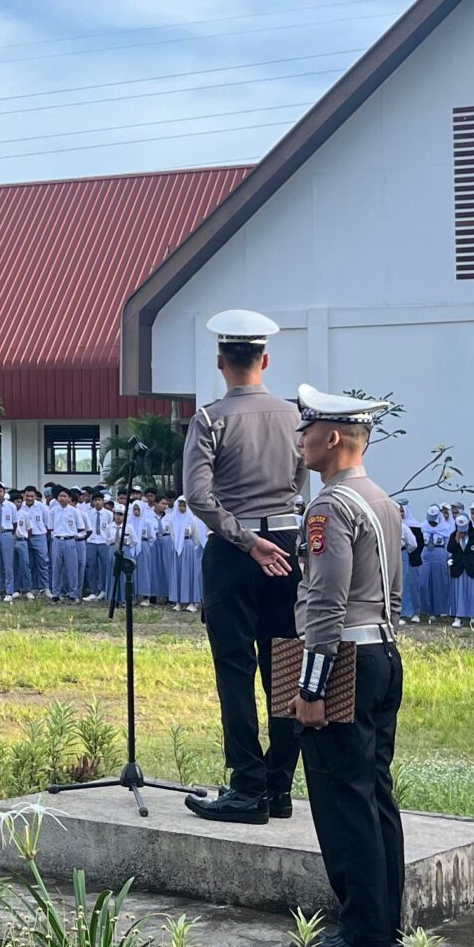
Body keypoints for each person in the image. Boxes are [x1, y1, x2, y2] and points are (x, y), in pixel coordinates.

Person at [285, 385, 407, 947]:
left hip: (343, 662)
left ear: (332, 437)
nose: (300, 441)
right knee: (375, 795)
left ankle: (364, 937)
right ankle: (384, 929)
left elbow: (326, 602)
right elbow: (394, 596)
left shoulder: (328, 507)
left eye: (307, 431)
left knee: (344, 802)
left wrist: (311, 687)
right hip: (382, 653)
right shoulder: (382, 500)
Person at [181, 310, 306, 826]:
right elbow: (301, 479)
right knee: (286, 666)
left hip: (235, 550)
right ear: (265, 360)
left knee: (235, 671)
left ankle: (248, 787)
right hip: (289, 544)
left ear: (220, 362)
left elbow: (198, 495)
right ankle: (279, 786)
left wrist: (247, 540)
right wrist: (276, 531)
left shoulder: (210, 418)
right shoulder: (296, 415)